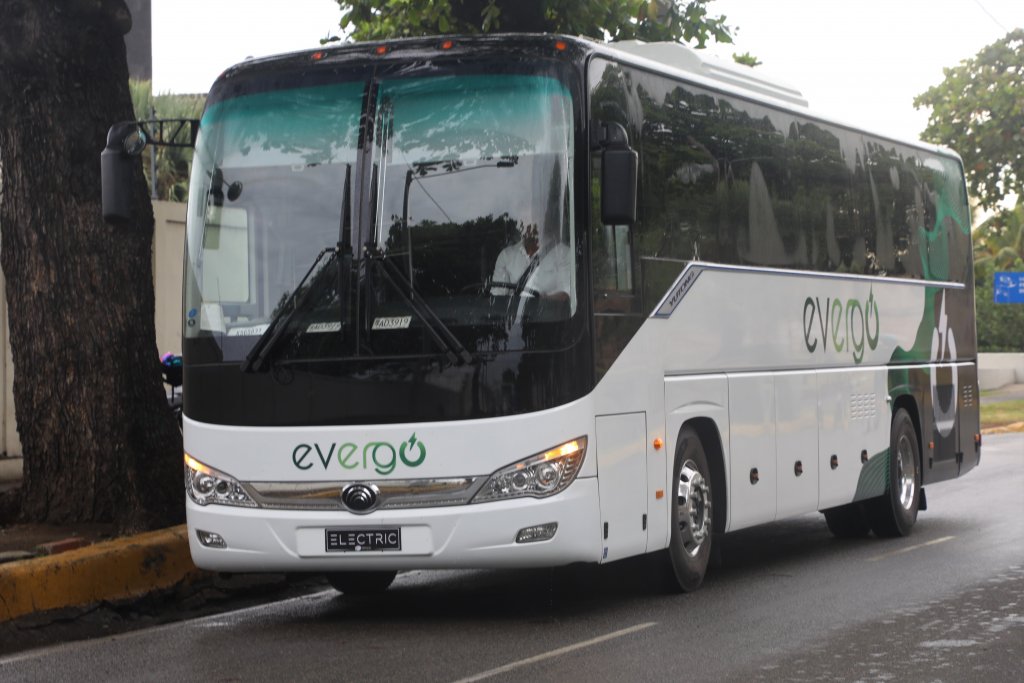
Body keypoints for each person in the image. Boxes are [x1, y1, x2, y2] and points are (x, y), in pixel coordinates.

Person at [490, 218, 571, 301]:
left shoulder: (563, 253)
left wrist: (543, 301)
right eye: (525, 219)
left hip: (548, 311)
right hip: (514, 313)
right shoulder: (506, 255)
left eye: (535, 218)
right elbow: (497, 297)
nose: (530, 224)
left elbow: (566, 295)